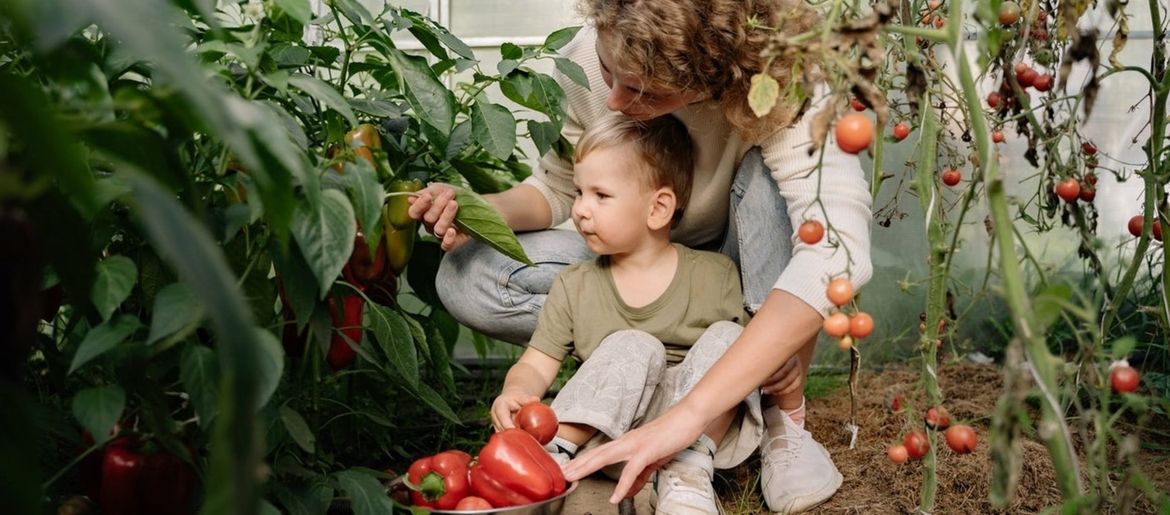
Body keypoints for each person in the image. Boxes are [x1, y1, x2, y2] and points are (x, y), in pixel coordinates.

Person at [408, 0, 873, 512]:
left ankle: (777, 410)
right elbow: (558, 187)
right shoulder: (592, 52)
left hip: (738, 278)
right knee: (470, 272)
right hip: (640, 257)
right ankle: (640, 373)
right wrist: (474, 209)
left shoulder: (786, 79)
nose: (613, 102)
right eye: (609, 72)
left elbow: (835, 249)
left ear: (713, 80)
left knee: (772, 189)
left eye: (646, 92)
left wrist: (687, 420)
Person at [490, 113, 761, 514]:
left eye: (600, 195)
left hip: (689, 433)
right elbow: (535, 364)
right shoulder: (574, 285)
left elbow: (750, 368)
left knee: (733, 340)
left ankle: (687, 472)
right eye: (579, 192)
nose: (580, 210)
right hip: (605, 437)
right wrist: (515, 390)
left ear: (658, 208)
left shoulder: (714, 275)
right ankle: (555, 454)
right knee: (635, 345)